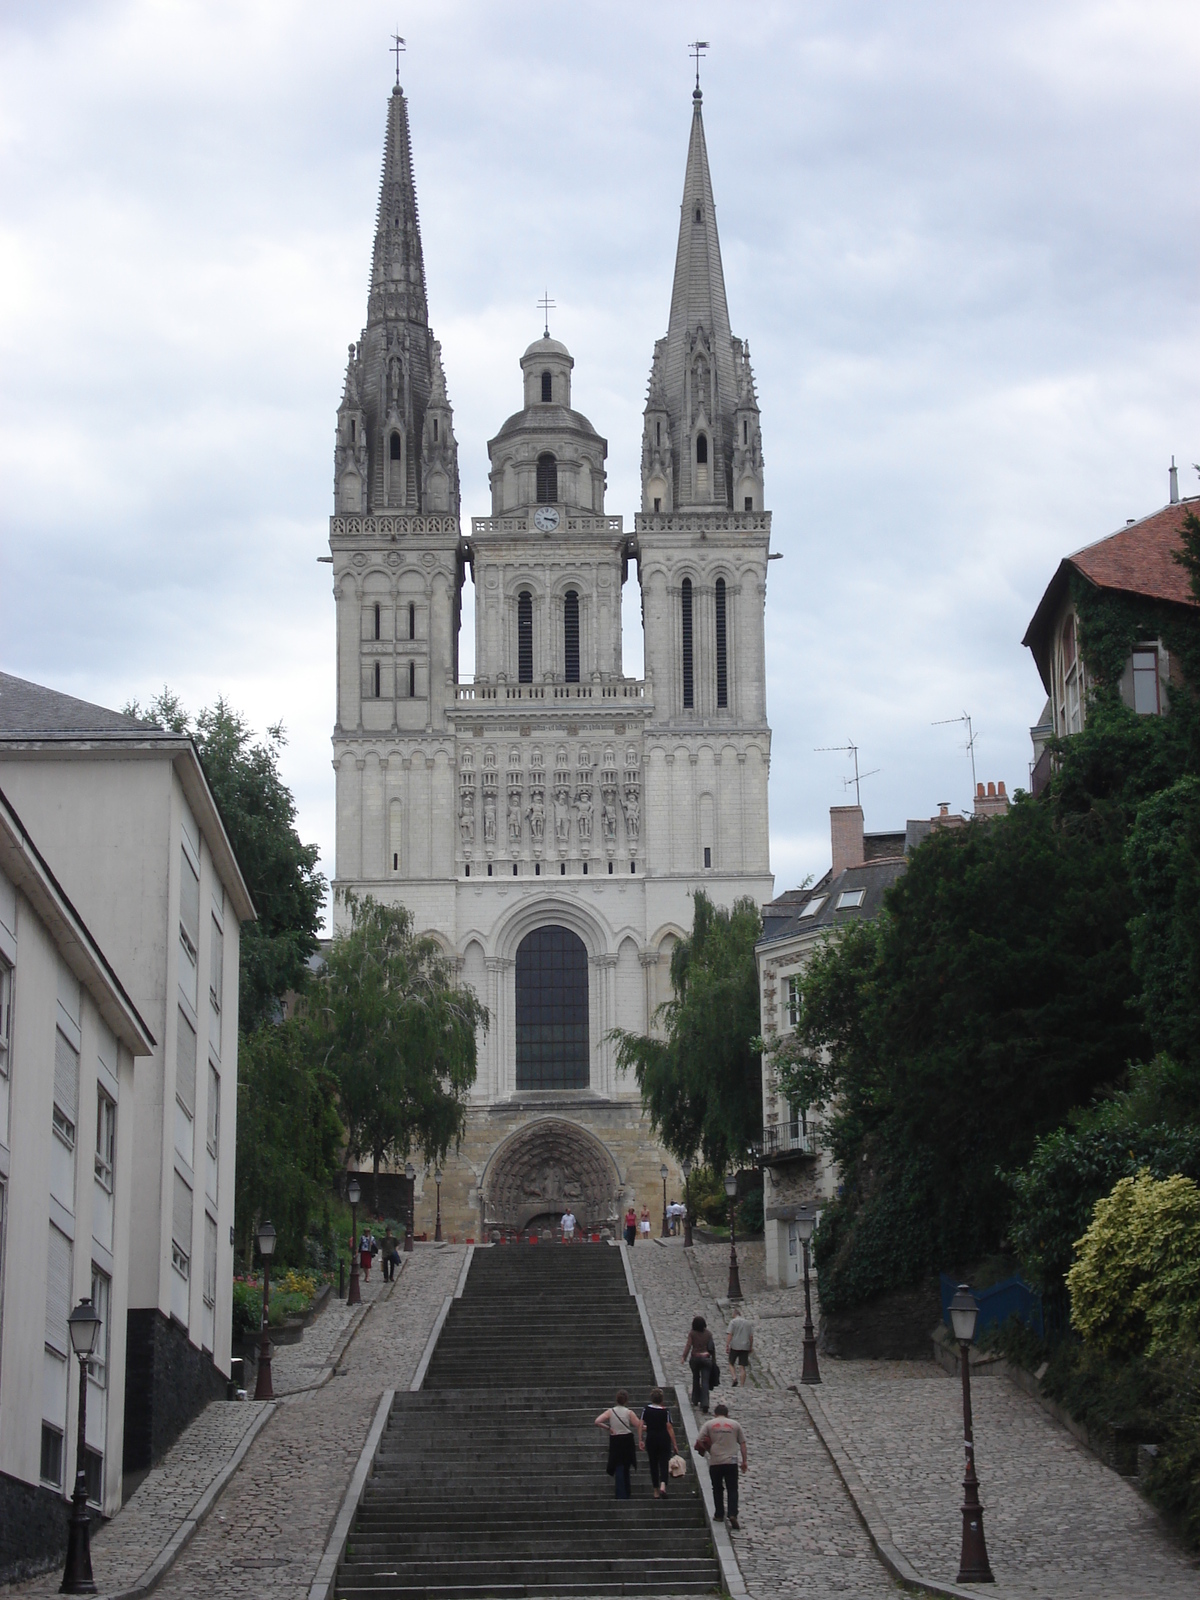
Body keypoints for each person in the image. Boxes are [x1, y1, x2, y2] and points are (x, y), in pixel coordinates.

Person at [695, 1402, 748, 1528]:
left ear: (715, 1414)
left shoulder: (709, 1424)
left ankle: (719, 1514)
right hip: (731, 1461)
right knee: (732, 1488)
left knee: (717, 1488)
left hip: (716, 1461)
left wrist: (709, 1449)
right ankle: (732, 1513)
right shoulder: (735, 1425)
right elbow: (743, 1443)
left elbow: (699, 1441)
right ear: (727, 1414)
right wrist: (744, 1461)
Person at [595, 1388, 644, 1499]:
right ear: (626, 1400)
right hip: (627, 1440)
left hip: (616, 1440)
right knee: (626, 1466)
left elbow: (597, 1421)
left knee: (618, 1466)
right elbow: (638, 1425)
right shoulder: (629, 1412)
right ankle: (626, 1492)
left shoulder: (610, 1411)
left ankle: (620, 1493)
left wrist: (609, 1428)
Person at [640, 1387, 678, 1499]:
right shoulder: (665, 1411)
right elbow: (669, 1427)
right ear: (662, 1399)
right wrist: (675, 1444)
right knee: (664, 1462)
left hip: (651, 1438)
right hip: (663, 1438)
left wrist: (640, 1439)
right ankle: (663, 1484)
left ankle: (655, 1490)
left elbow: (640, 1424)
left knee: (653, 1463)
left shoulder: (646, 1410)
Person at [682, 1314, 716, 1412]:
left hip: (695, 1358)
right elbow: (712, 1348)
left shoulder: (692, 1333)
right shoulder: (708, 1334)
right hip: (706, 1358)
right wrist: (713, 1360)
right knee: (705, 1381)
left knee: (696, 1378)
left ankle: (695, 1399)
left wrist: (684, 1356)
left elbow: (688, 1345)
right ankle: (705, 1403)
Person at [726, 1310, 753, 1385]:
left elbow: (730, 1334)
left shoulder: (733, 1322)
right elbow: (751, 1336)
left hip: (735, 1345)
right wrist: (750, 1346)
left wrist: (727, 1345)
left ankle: (734, 1377)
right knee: (742, 1367)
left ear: (734, 1314)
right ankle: (742, 1385)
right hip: (745, 1346)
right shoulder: (748, 1323)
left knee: (731, 1363)